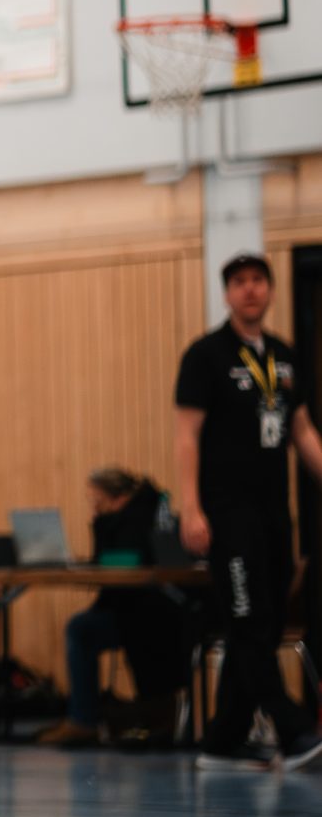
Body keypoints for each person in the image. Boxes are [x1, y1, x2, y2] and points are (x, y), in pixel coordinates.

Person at [175, 251, 322, 773]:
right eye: (239, 281)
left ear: (271, 290)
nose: (250, 289)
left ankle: (223, 741)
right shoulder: (205, 356)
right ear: (228, 294)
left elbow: (301, 430)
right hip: (226, 511)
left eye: (258, 280)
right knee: (247, 620)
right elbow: (186, 436)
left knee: (268, 621)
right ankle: (293, 727)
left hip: (274, 513)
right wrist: (190, 508)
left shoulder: (283, 356)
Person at [36, 468, 191, 748]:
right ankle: (86, 717)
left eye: (97, 500)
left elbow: (123, 559)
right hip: (135, 609)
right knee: (82, 627)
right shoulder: (143, 511)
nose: (95, 507)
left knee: (81, 629)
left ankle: (84, 720)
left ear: (116, 497)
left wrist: (100, 524)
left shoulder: (138, 518)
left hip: (151, 613)